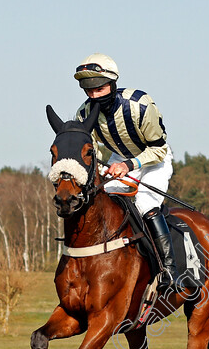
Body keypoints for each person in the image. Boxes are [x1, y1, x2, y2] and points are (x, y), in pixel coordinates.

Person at [73, 53, 181, 289]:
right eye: (88, 90)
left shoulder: (140, 105)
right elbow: (92, 152)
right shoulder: (83, 114)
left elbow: (159, 149)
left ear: (112, 84)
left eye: (99, 89)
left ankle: (169, 271)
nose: (93, 95)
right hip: (118, 159)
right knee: (104, 202)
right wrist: (103, 166)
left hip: (153, 158)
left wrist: (129, 165)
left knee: (145, 204)